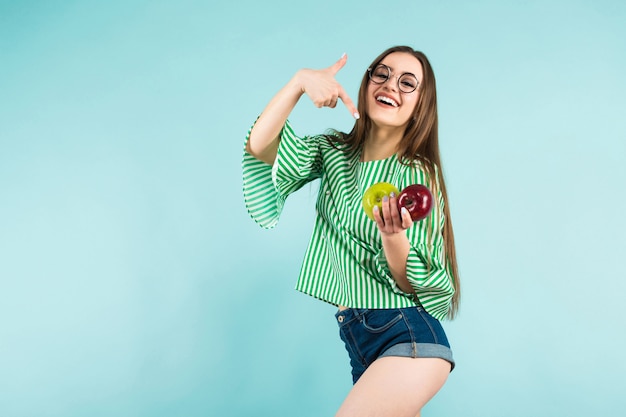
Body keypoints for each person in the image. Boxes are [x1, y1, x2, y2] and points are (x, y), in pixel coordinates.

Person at [242, 45, 460, 417]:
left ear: (421, 105)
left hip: (406, 335)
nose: (391, 85)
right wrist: (298, 82)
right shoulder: (333, 153)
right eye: (383, 74)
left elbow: (411, 284)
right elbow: (261, 145)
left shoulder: (418, 173)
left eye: (408, 83)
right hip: (359, 341)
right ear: (367, 82)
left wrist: (393, 237)